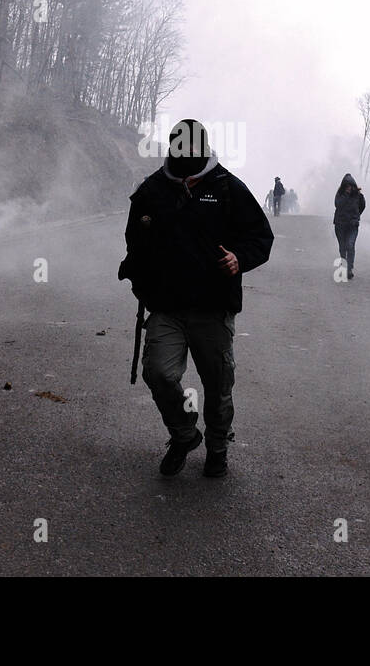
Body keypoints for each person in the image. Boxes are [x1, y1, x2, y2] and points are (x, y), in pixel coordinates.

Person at [119, 119, 274, 478]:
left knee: (218, 386)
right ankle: (184, 434)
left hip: (212, 307)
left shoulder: (227, 188)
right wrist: (138, 276)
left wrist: (240, 258)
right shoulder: (152, 190)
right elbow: (135, 240)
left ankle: (218, 447)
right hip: (167, 307)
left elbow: (260, 237)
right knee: (157, 372)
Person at [332, 173, 365, 279]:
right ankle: (344, 265)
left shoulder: (358, 196)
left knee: (350, 245)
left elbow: (362, 206)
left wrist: (356, 216)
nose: (348, 188)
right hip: (340, 224)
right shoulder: (340, 195)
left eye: (350, 186)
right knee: (342, 247)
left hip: (352, 225)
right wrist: (345, 195)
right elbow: (337, 204)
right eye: (346, 186)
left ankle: (349, 269)